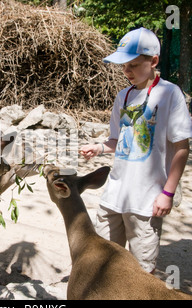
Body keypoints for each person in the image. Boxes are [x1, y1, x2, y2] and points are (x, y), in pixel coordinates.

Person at [80, 27, 192, 273]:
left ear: (153, 61)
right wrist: (98, 148)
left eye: (133, 64)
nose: (126, 71)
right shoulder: (123, 96)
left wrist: (168, 193)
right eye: (123, 66)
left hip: (146, 201)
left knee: (141, 272)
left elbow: (182, 147)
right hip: (114, 195)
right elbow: (117, 140)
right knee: (103, 262)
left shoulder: (170, 94)